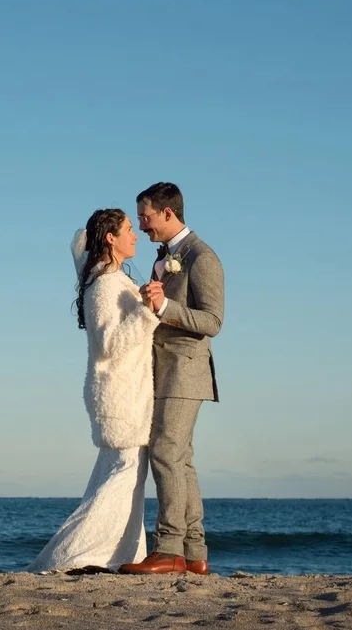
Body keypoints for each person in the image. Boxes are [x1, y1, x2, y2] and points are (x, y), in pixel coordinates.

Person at [30, 208, 162, 573]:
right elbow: (108, 342)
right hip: (119, 395)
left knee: (119, 477)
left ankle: (122, 557)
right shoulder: (105, 284)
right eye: (129, 229)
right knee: (125, 476)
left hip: (126, 391)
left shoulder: (110, 278)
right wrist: (148, 312)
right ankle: (72, 556)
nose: (135, 235)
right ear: (110, 238)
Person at [118, 182, 224, 576]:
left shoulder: (202, 257)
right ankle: (195, 554)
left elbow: (213, 321)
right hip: (163, 372)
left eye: (145, 217)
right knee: (181, 460)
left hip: (186, 370)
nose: (142, 225)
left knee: (164, 452)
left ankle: (168, 549)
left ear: (167, 213)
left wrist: (165, 306)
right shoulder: (165, 257)